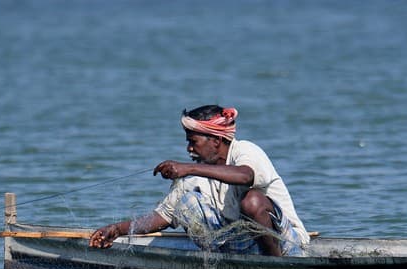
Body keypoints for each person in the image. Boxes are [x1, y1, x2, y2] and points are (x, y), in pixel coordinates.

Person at [89, 105, 310, 256]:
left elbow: (245, 176)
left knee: (252, 201)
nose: (189, 149)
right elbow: (162, 218)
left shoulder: (246, 151)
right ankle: (217, 262)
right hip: (241, 246)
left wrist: (189, 168)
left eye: (193, 141)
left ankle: (276, 265)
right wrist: (116, 229)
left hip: (286, 245)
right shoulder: (193, 176)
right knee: (187, 203)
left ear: (215, 140)